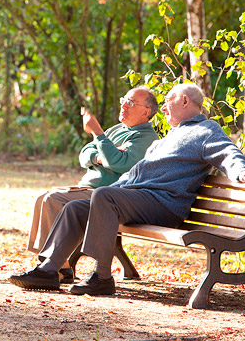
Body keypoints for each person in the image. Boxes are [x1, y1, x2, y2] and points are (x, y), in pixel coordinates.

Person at [9, 82, 245, 295]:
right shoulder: (169, 136)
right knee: (76, 207)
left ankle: (102, 277)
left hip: (164, 203)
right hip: (139, 198)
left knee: (104, 195)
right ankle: (48, 270)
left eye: (167, 101)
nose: (162, 108)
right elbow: (134, 173)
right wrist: (115, 188)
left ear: (185, 101)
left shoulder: (205, 130)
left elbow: (229, 151)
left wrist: (240, 171)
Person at [27, 86, 159, 283]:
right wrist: (101, 156)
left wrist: (98, 133)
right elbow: (84, 154)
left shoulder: (145, 138)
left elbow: (119, 163)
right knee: (42, 197)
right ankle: (57, 265)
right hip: (85, 189)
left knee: (53, 200)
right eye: (124, 99)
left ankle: (56, 268)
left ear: (146, 112)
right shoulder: (117, 129)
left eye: (131, 102)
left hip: (106, 196)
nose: (123, 105)